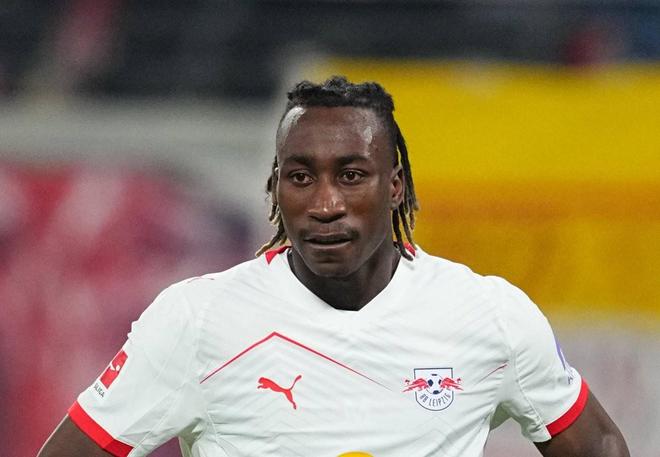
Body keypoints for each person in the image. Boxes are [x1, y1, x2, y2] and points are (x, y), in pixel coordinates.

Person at [38, 76, 629, 457]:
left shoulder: (488, 316)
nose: (325, 204)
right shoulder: (197, 320)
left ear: (395, 186)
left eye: (351, 175)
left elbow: (599, 444)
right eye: (301, 177)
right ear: (275, 188)